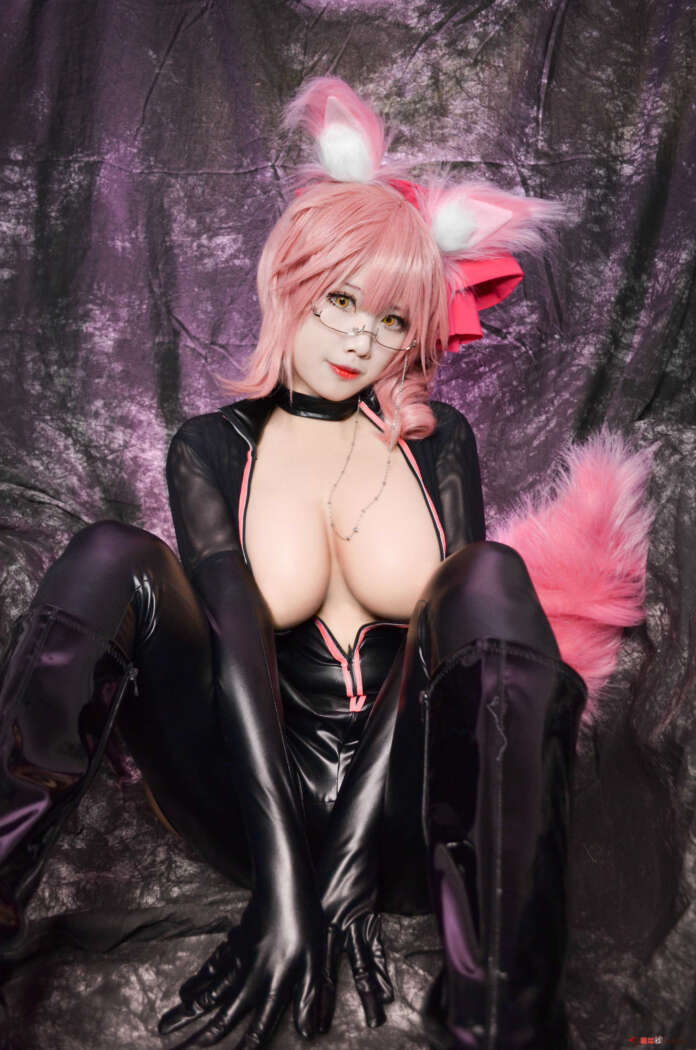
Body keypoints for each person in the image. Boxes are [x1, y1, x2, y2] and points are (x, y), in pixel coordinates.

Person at [0, 78, 649, 1050]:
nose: (358, 339)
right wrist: (285, 885)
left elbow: (444, 657)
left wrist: (348, 856)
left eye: (391, 321)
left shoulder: (440, 443)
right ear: (292, 282)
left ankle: (503, 1023)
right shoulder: (211, 447)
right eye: (342, 300)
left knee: (485, 576)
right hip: (248, 803)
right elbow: (234, 656)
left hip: (411, 817)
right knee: (109, 554)